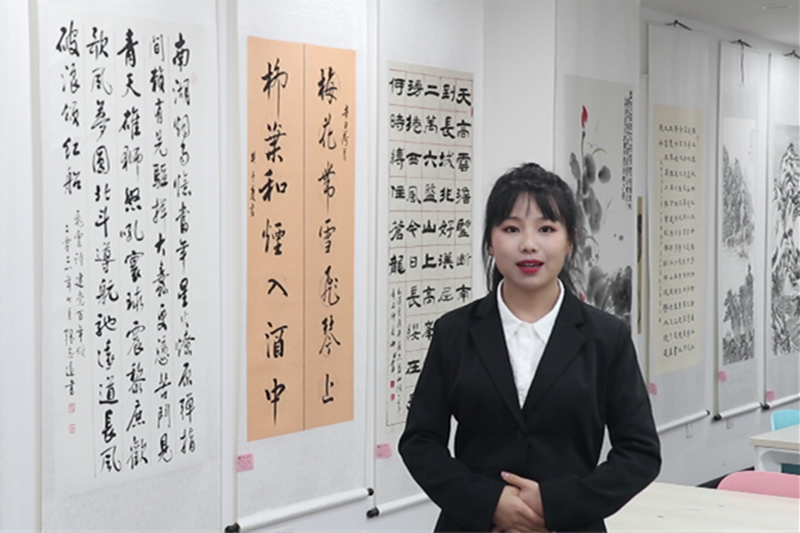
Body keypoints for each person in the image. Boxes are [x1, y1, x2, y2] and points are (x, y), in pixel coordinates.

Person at [399, 163, 660, 533]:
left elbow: (640, 453)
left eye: (546, 229)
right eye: (511, 229)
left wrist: (555, 504)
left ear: (570, 241)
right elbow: (420, 441)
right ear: (490, 242)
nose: (529, 244)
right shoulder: (454, 332)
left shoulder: (606, 337)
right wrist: (488, 502)